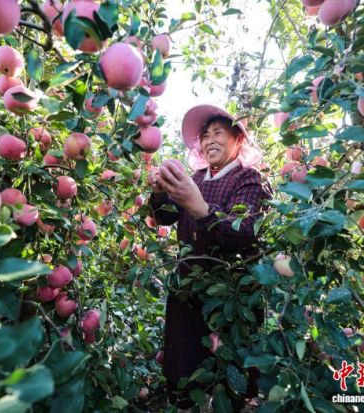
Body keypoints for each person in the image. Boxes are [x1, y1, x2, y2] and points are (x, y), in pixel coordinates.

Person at [147, 104, 273, 411]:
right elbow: (164, 217)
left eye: (218, 133)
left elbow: (244, 231)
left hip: (231, 297)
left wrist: (200, 208)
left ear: (237, 140)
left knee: (230, 372)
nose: (209, 140)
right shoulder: (195, 179)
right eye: (205, 135)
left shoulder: (250, 180)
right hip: (188, 291)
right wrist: (160, 193)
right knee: (184, 367)